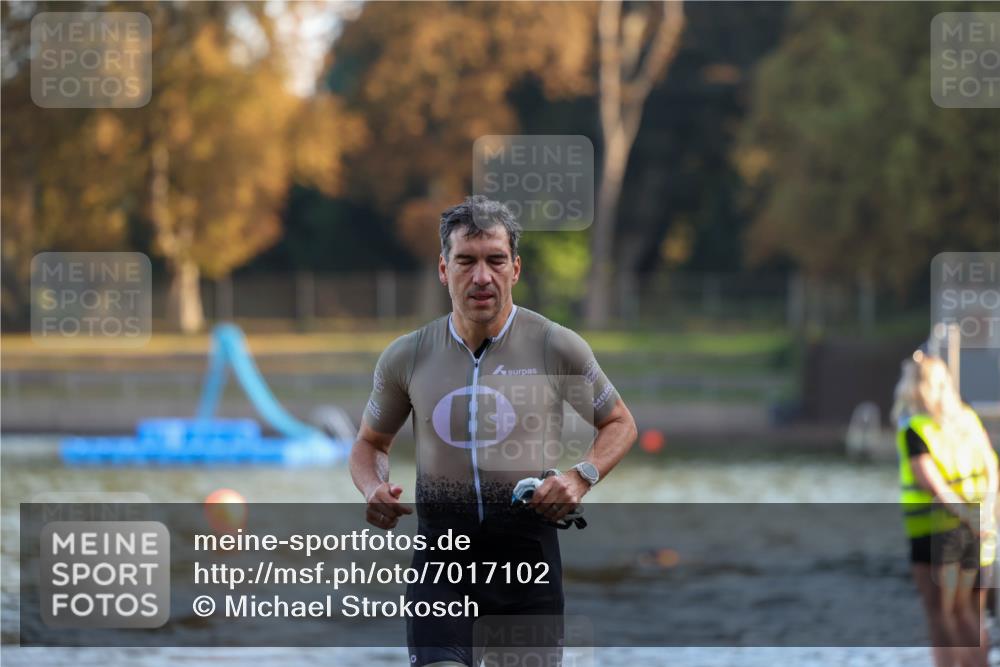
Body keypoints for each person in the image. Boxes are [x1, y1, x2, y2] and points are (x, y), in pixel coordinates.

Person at [350, 195, 637, 667]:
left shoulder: (554, 345)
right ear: (444, 270)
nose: (481, 276)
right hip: (442, 564)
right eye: (466, 261)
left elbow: (620, 423)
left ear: (515, 269)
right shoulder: (409, 355)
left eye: (495, 260)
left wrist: (580, 476)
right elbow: (369, 443)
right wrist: (372, 487)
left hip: (527, 563)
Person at [892, 350, 998, 667]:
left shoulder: (916, 429)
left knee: (941, 615)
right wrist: (985, 514)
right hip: (982, 534)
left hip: (936, 534)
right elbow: (992, 468)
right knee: (971, 616)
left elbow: (933, 483)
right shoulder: (968, 420)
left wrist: (966, 517)